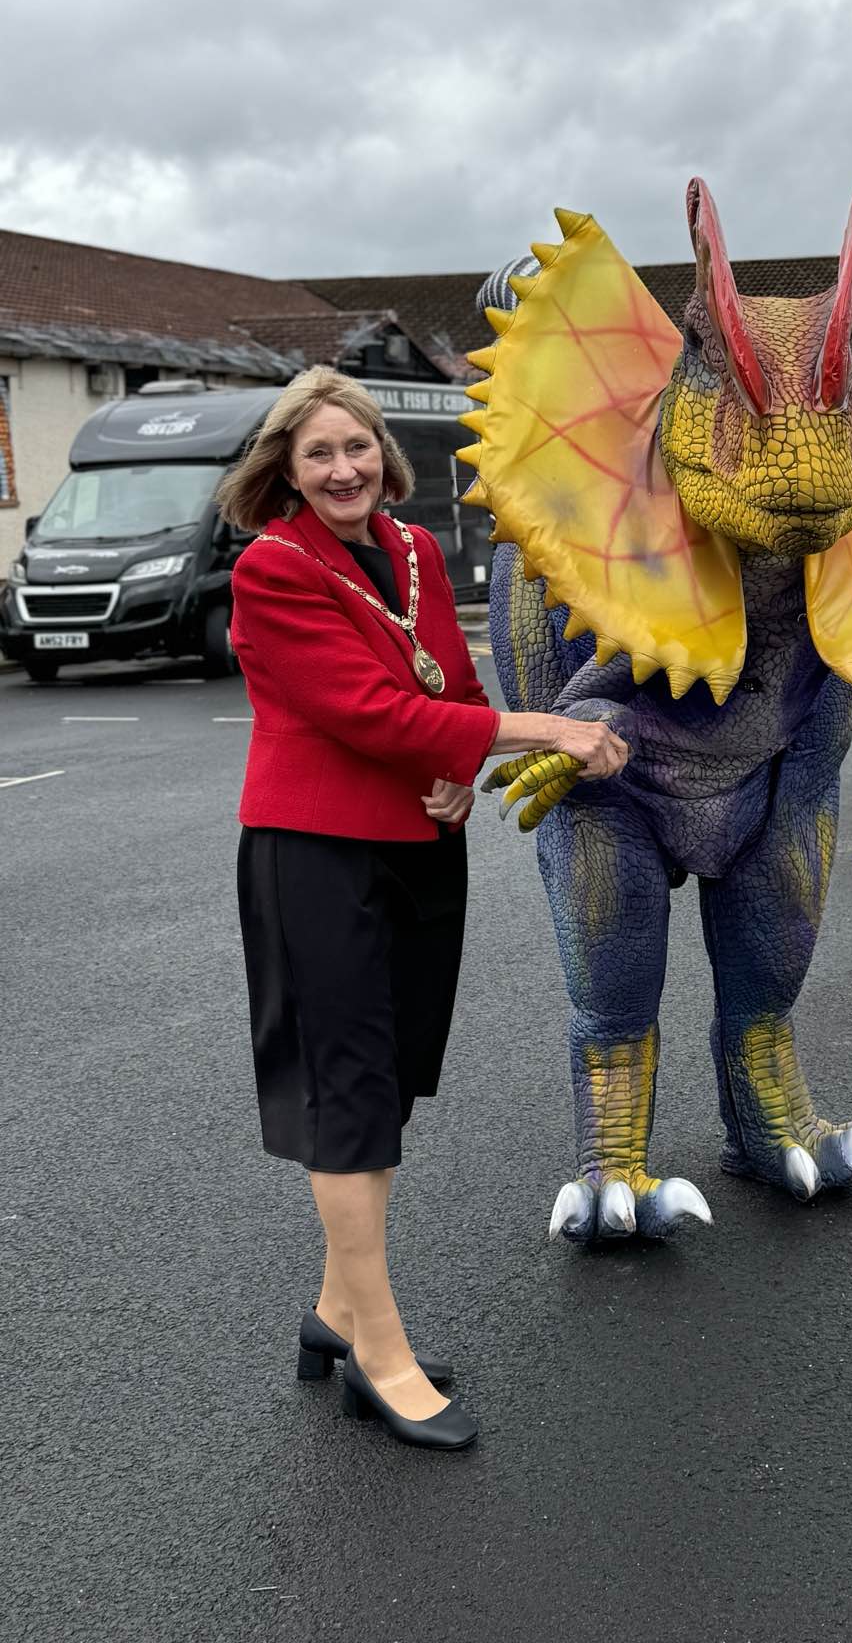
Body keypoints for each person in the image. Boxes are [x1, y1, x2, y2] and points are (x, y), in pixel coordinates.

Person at [218, 367, 628, 1452]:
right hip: (315, 853)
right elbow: (361, 709)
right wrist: (545, 731)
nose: (344, 468)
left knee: (389, 1077)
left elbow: (441, 683)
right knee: (348, 1088)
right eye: (319, 455)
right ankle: (378, 1352)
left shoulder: (409, 550)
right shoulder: (272, 568)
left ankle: (333, 1310)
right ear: (285, 471)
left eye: (356, 447)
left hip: (414, 841)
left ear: (382, 454)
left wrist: (456, 757)